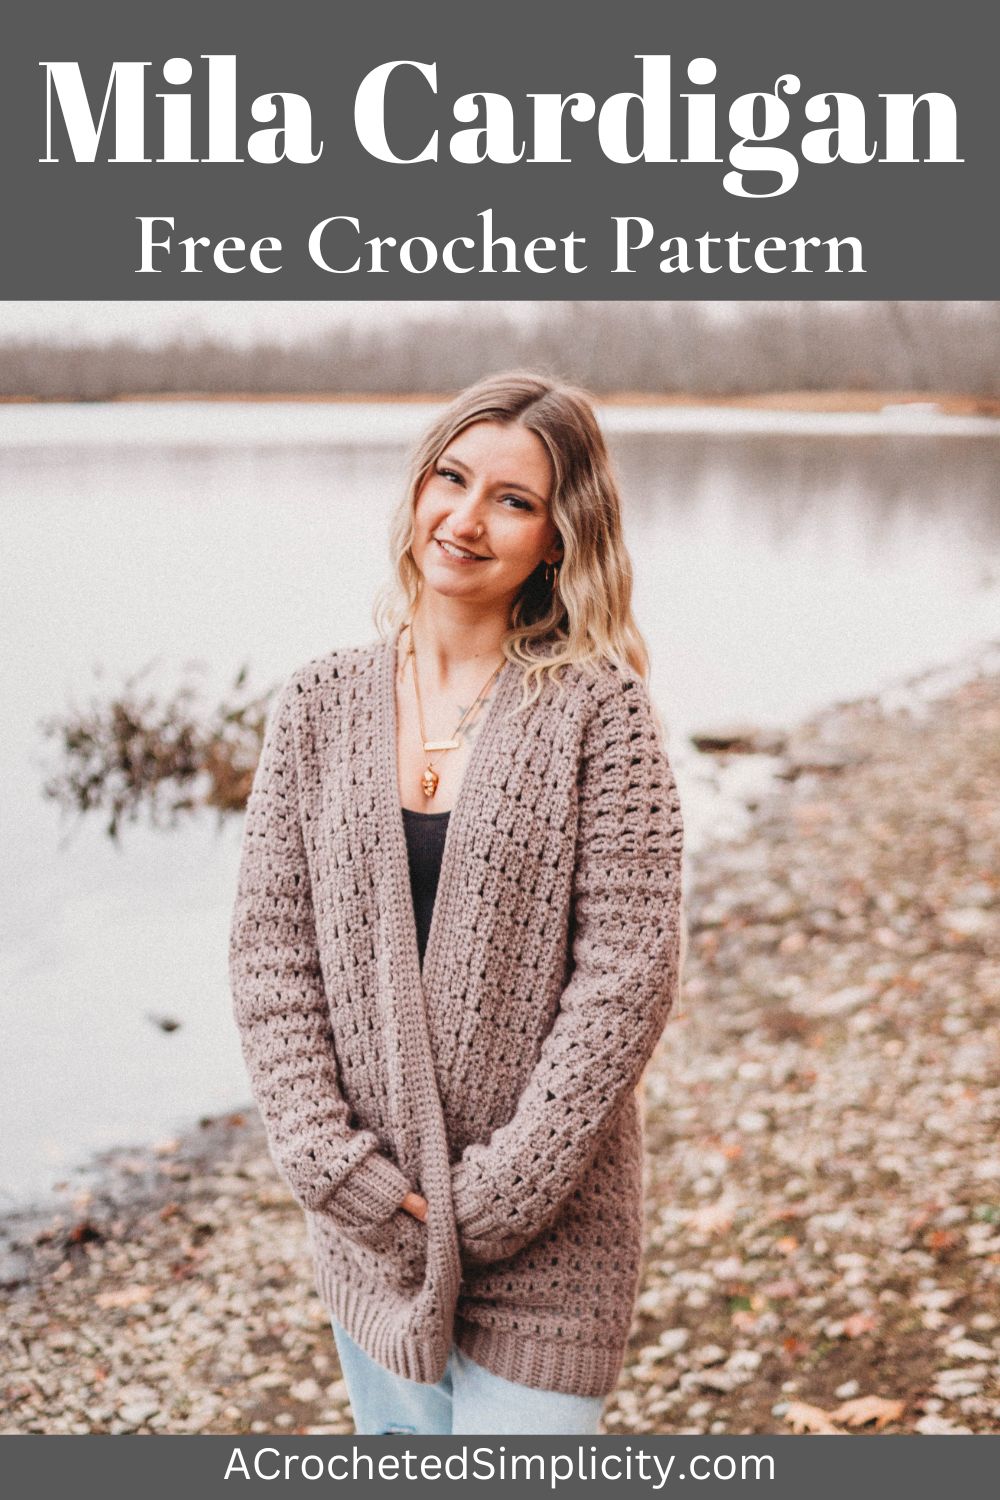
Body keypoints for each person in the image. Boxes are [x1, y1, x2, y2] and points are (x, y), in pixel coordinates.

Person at [229, 370, 685, 1435]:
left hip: (549, 1235)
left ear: (560, 538)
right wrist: (334, 1169)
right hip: (370, 1227)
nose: (467, 520)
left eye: (513, 501)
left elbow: (626, 977)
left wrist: (501, 1192)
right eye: (452, 478)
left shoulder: (598, 713)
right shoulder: (319, 704)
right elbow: (269, 955)